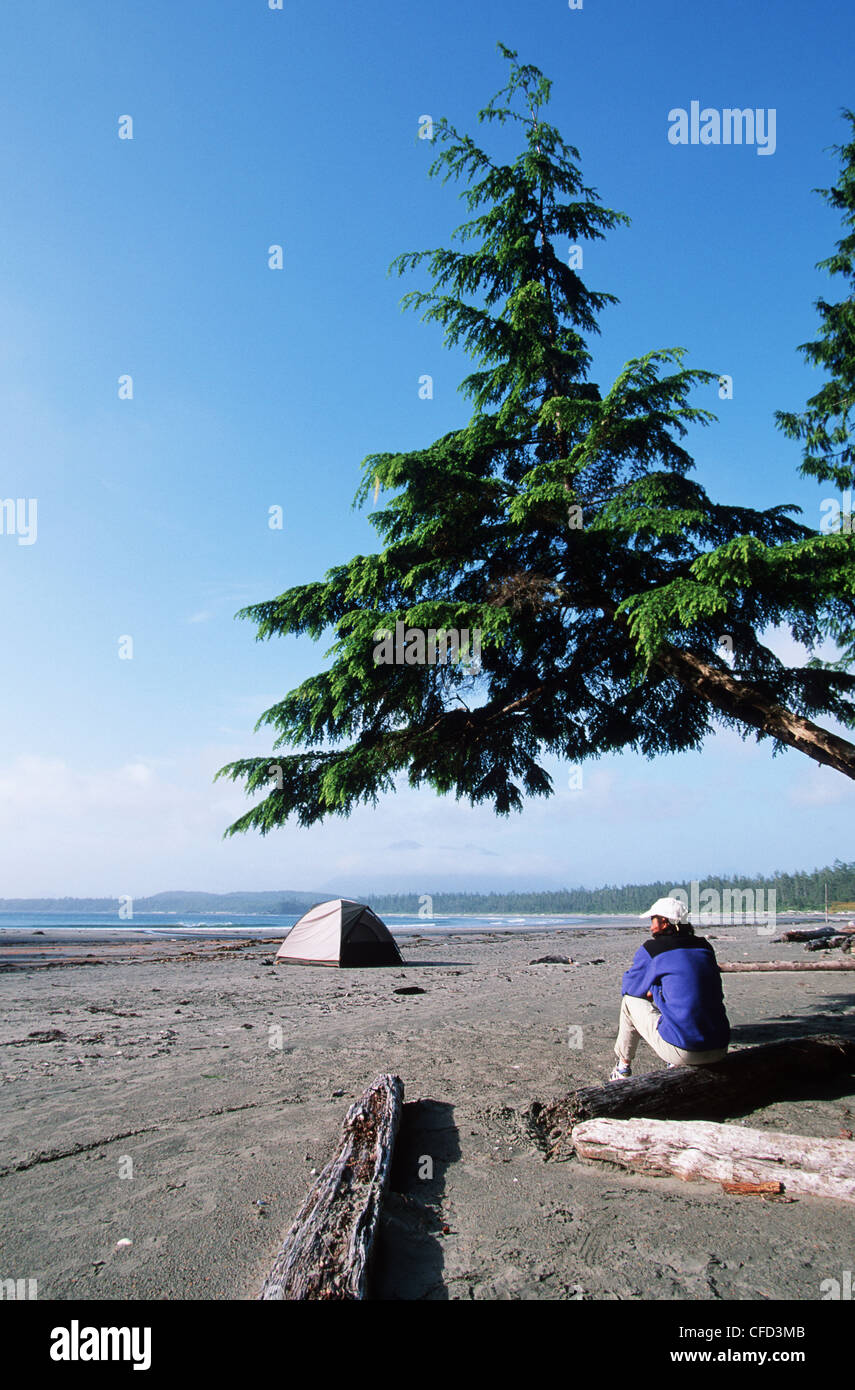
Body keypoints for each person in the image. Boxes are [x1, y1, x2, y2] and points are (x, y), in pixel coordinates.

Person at [609, 896, 730, 1080]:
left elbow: (629, 988)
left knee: (628, 1003)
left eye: (653, 920)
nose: (650, 927)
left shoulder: (653, 949)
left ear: (664, 922)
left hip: (686, 1050)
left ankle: (622, 1067)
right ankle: (671, 1059)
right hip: (720, 1046)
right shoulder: (705, 946)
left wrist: (653, 989)